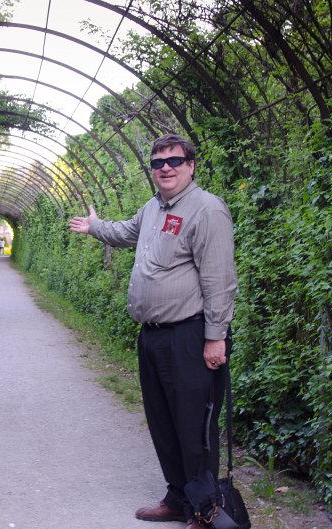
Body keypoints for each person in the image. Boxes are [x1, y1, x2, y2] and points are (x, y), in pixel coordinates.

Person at [68, 134, 238, 529]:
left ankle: (205, 509)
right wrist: (95, 226)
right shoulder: (152, 208)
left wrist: (215, 336)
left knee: (194, 424)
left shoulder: (207, 210)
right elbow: (126, 233)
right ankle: (178, 497)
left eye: (174, 161)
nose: (165, 168)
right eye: (158, 162)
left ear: (191, 165)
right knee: (163, 420)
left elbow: (220, 279)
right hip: (153, 336)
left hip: (190, 336)